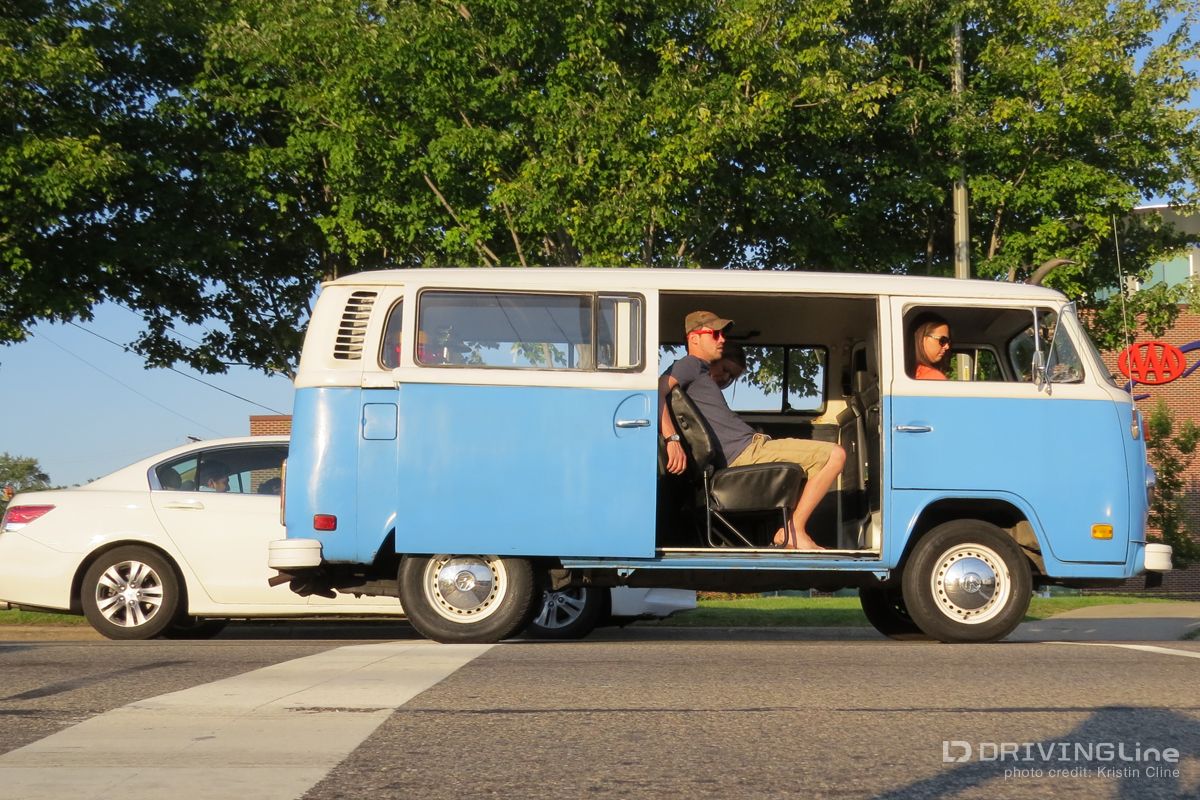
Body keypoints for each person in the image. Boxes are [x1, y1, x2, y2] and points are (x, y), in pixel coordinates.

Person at [658, 311, 846, 551]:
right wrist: (672, 439)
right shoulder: (690, 364)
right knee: (835, 455)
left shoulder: (699, 372)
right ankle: (793, 530)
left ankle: (792, 529)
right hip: (746, 452)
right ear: (694, 338)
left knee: (816, 464)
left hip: (750, 447)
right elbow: (656, 392)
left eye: (722, 334)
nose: (722, 339)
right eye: (715, 334)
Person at [911, 312, 951, 380]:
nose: (947, 347)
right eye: (943, 340)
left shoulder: (908, 372)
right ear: (922, 338)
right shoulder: (933, 377)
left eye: (948, 342)